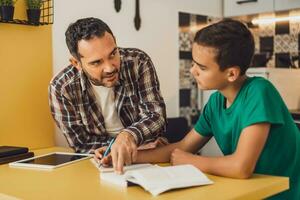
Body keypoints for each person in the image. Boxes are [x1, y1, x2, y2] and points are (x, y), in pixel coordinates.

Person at [98, 19, 300, 199]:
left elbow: (241, 167)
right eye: (193, 63)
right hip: (250, 192)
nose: (193, 71)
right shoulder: (215, 102)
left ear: (231, 74)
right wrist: (126, 156)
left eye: (202, 67)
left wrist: (192, 161)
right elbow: (182, 148)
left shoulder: (259, 92)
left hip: (284, 193)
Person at [49, 17, 167, 172]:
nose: (110, 68)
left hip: (151, 155)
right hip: (103, 161)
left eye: (113, 54)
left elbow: (156, 116)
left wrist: (128, 136)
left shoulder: (138, 62)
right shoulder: (62, 88)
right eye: (96, 62)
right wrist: (114, 147)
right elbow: (80, 143)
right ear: (76, 63)